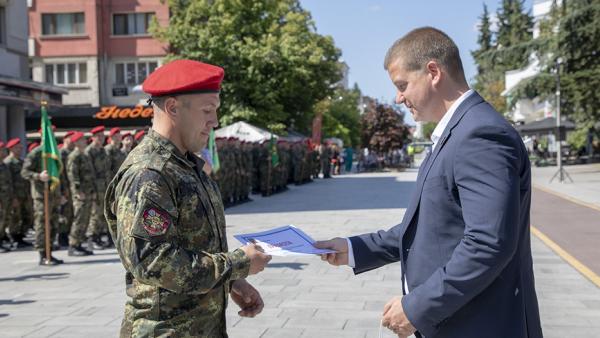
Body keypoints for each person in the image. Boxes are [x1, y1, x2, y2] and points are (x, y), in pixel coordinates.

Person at [315, 27, 542, 338]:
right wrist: (355, 248)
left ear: (433, 72)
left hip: (480, 324)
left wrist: (417, 307)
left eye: (402, 85)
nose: (398, 98)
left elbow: (488, 244)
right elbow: (432, 228)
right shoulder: (459, 132)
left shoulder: (479, 135)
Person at [104, 59, 272, 337]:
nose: (215, 121)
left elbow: (193, 244)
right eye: (207, 110)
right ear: (172, 107)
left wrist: (230, 282)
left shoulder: (184, 166)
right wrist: (237, 263)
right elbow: (153, 262)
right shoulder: (150, 173)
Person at [21, 139, 64, 265]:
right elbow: (25, 172)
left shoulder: (54, 152)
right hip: (41, 195)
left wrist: (62, 192)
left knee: (53, 223)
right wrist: (38, 176)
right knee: (42, 223)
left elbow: (60, 173)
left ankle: (49, 251)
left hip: (54, 194)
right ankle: (42, 253)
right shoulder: (36, 153)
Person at [66, 132, 95, 256]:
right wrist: (78, 192)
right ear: (76, 142)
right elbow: (73, 175)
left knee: (85, 218)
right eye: (82, 140)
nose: (85, 141)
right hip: (81, 193)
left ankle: (79, 243)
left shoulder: (85, 155)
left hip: (88, 192)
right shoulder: (74, 156)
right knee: (79, 219)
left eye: (84, 139)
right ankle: (73, 245)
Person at [3, 138, 33, 248]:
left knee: (28, 216)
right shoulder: (8, 163)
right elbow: (8, 181)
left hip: (25, 194)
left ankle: (21, 236)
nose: (20, 149)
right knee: (15, 217)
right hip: (16, 195)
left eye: (20, 147)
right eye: (17, 147)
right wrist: (13, 197)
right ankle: (14, 237)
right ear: (11, 149)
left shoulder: (21, 162)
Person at [85, 126, 111, 249]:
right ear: (93, 138)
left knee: (102, 214)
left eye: (102, 136)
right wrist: (92, 190)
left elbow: (107, 170)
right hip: (95, 188)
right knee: (95, 214)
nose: (101, 139)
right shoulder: (88, 152)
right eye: (98, 137)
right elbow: (89, 173)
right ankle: (92, 238)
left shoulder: (103, 151)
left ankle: (99, 236)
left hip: (104, 187)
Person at [0, 141, 13, 252]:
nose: (4, 152)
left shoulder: (3, 165)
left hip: (6, 197)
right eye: (2, 150)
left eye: (4, 150)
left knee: (4, 220)